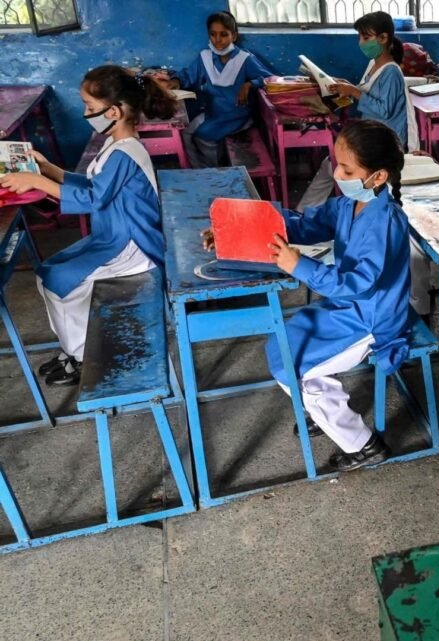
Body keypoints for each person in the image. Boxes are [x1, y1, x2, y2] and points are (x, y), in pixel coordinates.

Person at [204, 120, 412, 471]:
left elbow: (360, 283)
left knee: (298, 369)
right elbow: (304, 223)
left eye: (347, 169)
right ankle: (322, 409)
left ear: (378, 177)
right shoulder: (348, 205)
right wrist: (235, 230)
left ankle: (363, 444)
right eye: (337, 164)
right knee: (283, 344)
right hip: (346, 308)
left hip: (371, 321)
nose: (338, 174)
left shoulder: (385, 221)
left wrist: (300, 265)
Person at [2, 66, 174, 387]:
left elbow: (92, 199)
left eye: (90, 107)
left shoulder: (126, 152)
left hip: (132, 245)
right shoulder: (115, 143)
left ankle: (81, 356)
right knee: (48, 272)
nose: (85, 113)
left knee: (58, 283)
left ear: (114, 112)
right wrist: (49, 169)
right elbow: (94, 185)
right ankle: (74, 347)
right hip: (113, 235)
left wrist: (37, 181)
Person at [297, 11, 418, 212]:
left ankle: (307, 212)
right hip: (371, 137)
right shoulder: (374, 65)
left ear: (383, 38)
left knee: (334, 166)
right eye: (360, 37)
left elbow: (384, 110)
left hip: (383, 144)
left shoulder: (391, 72)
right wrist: (345, 88)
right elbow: (367, 92)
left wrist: (354, 92)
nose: (361, 42)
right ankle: (306, 212)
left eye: (366, 37)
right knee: (331, 165)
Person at [148, 11, 272, 167]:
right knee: (185, 132)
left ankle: (215, 170)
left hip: (236, 114)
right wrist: (174, 82)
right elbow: (188, 75)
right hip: (213, 111)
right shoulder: (205, 57)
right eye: (213, 34)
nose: (218, 40)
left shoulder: (244, 59)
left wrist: (250, 84)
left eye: (224, 34)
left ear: (234, 36)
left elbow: (270, 79)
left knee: (203, 136)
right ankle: (198, 169)